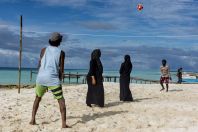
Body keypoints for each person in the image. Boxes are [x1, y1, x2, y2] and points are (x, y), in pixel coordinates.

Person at [29, 32, 70, 128]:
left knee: (37, 98)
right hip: (52, 78)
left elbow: (39, 64)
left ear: (50, 41)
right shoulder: (61, 53)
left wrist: (42, 76)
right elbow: (61, 70)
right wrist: (59, 81)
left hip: (41, 77)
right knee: (61, 100)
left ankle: (33, 119)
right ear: (59, 41)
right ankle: (63, 124)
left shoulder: (43, 50)